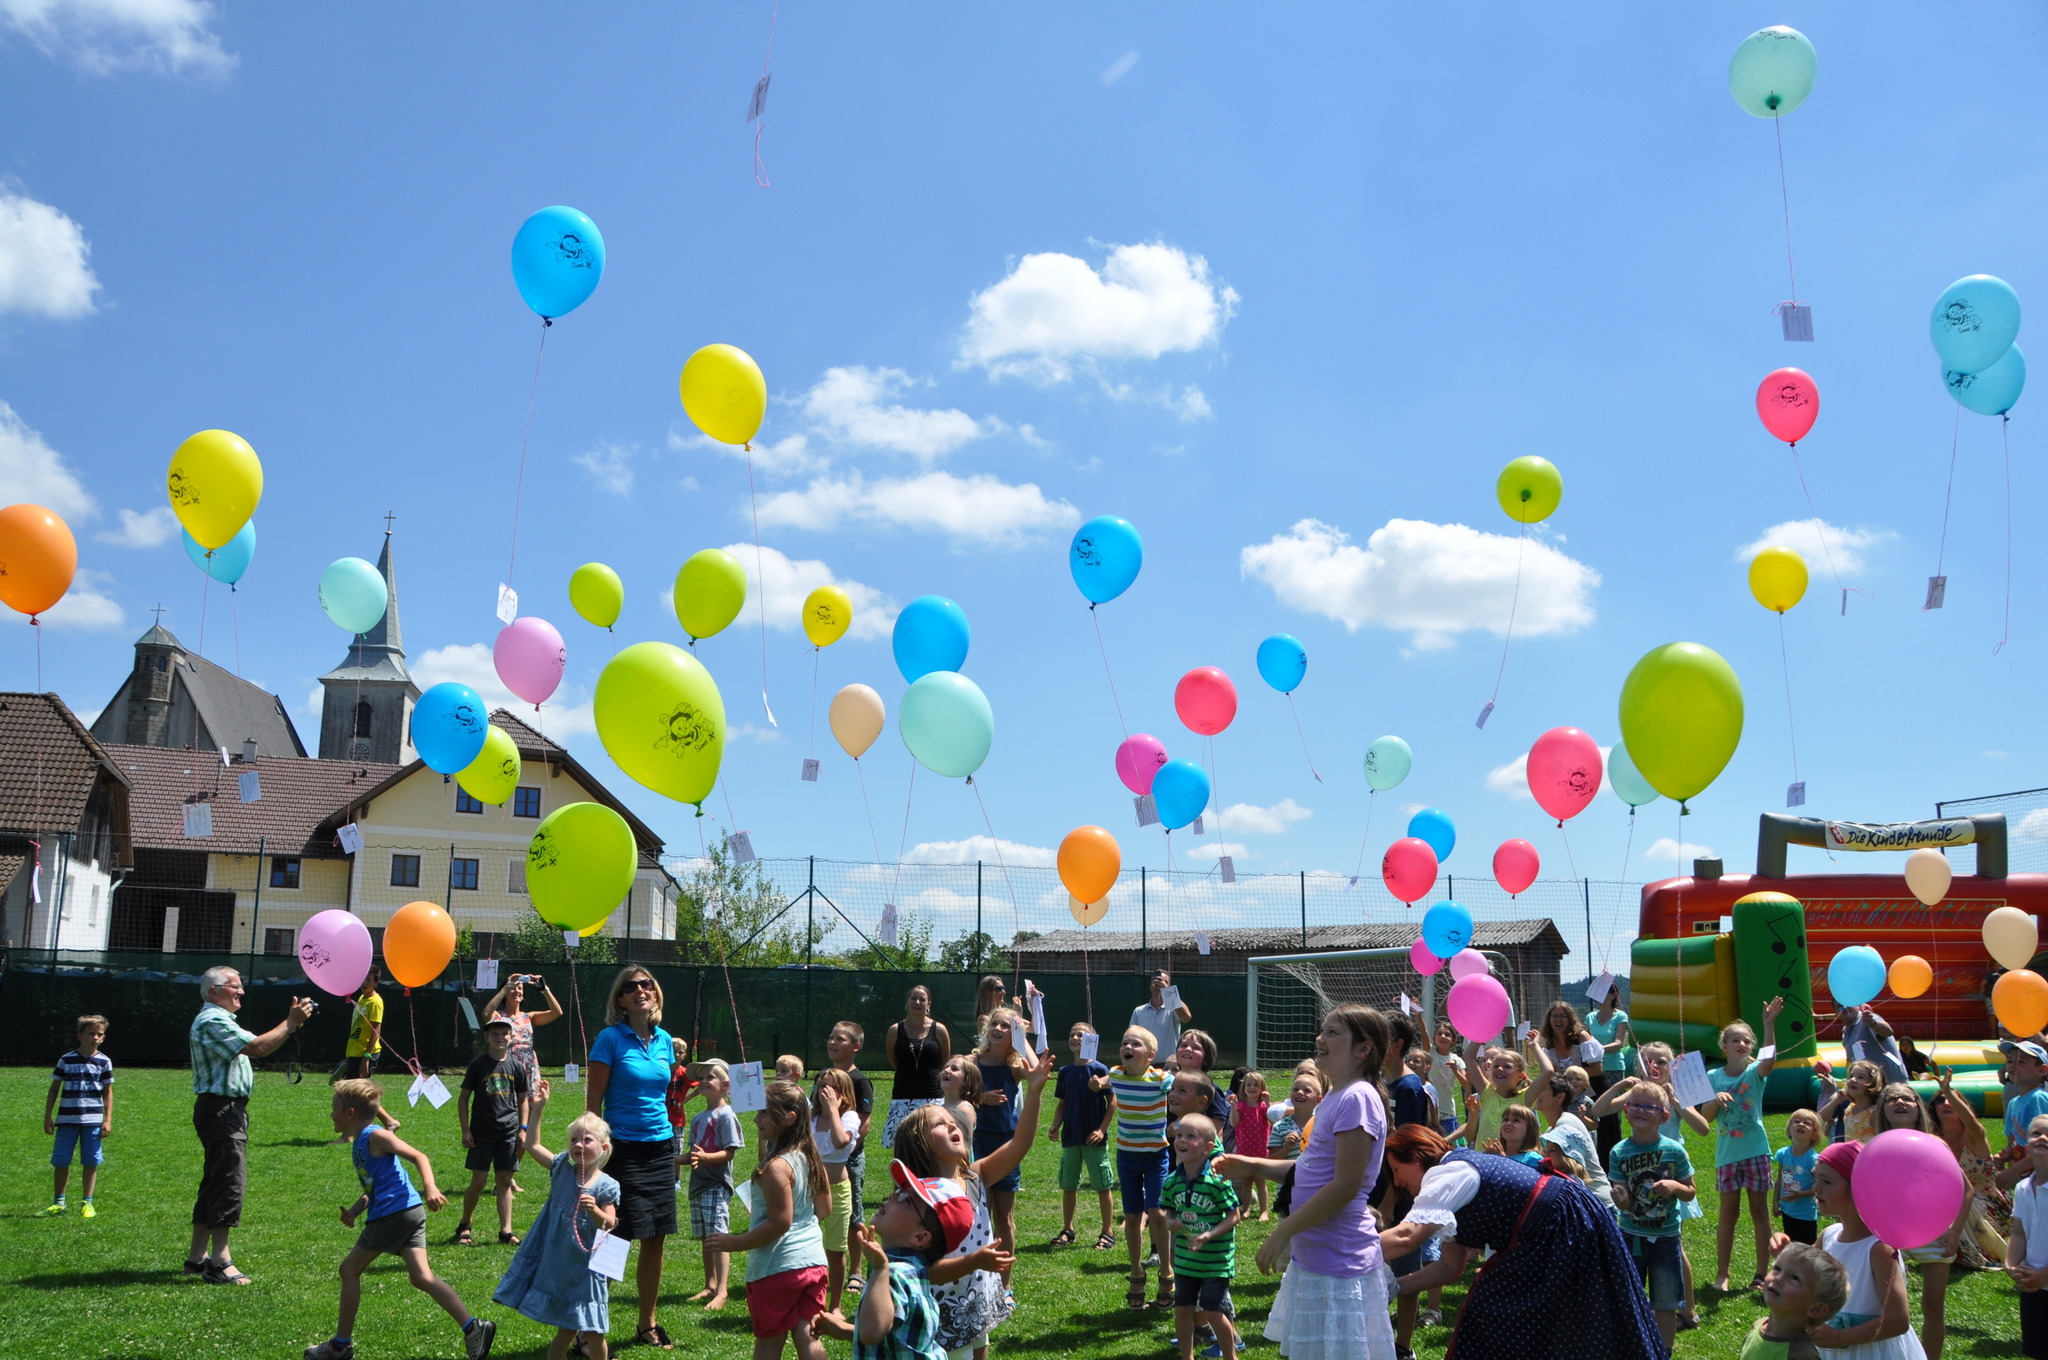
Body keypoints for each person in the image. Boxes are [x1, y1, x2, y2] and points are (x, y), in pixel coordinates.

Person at [1375, 1122, 1665, 1360]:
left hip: (1564, 1225)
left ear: (1417, 1156)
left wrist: (1344, 1250)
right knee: (1503, 1314)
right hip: (1546, 1233)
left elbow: (1407, 1236)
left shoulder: (1448, 1172)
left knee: (1521, 1314)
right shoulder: (1450, 1185)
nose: (1397, 1183)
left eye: (1397, 1171)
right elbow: (1450, 1266)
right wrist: (1396, 1286)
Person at [1215, 1006, 1399, 1360]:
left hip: (1339, 1262)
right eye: (1322, 1030)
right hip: (1316, 1255)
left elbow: (1346, 1185)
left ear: (1363, 1050)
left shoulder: (1357, 1098)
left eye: (1333, 1032)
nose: (1320, 1038)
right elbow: (1311, 1168)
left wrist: (1283, 1231)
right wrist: (1251, 1163)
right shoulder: (1335, 1096)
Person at [303, 1079, 496, 1360]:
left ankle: (340, 1347)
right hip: (408, 1211)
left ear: (350, 1113)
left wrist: (430, 1187)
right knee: (421, 1277)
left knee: (349, 1271)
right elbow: (375, 1186)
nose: (330, 1115)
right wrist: (355, 1211)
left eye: (334, 1109)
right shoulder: (361, 1141)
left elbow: (419, 1156)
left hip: (392, 1214)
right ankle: (473, 1327)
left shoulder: (375, 1136)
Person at [890, 1046, 1050, 1360]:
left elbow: (1021, 1143)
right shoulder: (919, 1199)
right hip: (943, 1311)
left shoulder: (976, 1176)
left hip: (978, 1299)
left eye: (952, 1122)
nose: (952, 1125)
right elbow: (928, 1272)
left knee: (981, 1349)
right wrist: (975, 1261)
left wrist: (1034, 1092)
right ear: (919, 1144)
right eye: (939, 1124)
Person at [187, 965, 314, 1284]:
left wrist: (290, 1023)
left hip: (222, 1109)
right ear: (214, 991)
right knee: (228, 1181)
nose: (241, 991)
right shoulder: (212, 1020)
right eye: (234, 986)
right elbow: (257, 1047)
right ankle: (220, 1262)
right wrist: (291, 1022)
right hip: (222, 1110)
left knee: (214, 1181)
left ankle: (196, 1258)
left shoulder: (218, 1019)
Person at [585, 965, 680, 1350]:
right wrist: (592, 1154)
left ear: (655, 995)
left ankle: (647, 1323)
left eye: (647, 985)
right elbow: (593, 1104)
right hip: (620, 1148)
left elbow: (662, 1095)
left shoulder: (664, 1042)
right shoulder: (609, 1039)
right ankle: (587, 1329)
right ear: (620, 1000)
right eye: (631, 987)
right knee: (614, 1239)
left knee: (655, 1238)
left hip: (660, 1149)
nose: (641, 990)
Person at [1587, 1040, 1712, 1330]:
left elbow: (1704, 1129)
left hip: (1671, 1176)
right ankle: (1661, 1310)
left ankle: (1687, 1310)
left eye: (1661, 1062)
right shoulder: (1637, 1096)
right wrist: (1620, 1087)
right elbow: (1599, 1109)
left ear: (1673, 1068)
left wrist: (1677, 1102)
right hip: (1636, 1181)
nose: (1654, 1067)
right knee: (1654, 1247)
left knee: (1673, 1246)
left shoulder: (1673, 1094)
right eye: (1648, 1061)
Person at [492, 1080, 620, 1360]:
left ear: (604, 1147)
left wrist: (595, 1212)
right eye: (574, 1139)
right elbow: (533, 1144)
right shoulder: (562, 1168)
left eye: (586, 1140)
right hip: (560, 1261)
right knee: (565, 1326)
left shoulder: (606, 1185)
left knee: (594, 1330)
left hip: (588, 1270)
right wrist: (538, 1108)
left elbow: (610, 1223)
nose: (578, 1145)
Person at [706, 1080, 831, 1360]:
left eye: (763, 1113)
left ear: (788, 1118)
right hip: (813, 1262)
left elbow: (780, 1223)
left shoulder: (776, 1167)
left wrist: (734, 1242)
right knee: (809, 1337)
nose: (756, 1119)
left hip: (777, 1269)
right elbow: (824, 1209)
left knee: (769, 1344)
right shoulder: (811, 1158)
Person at [1775, 1139, 1927, 1359]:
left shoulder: (1878, 1248)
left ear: (1858, 1188)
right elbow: (1805, 1275)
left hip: (1874, 1351)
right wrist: (1784, 1251)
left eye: (1826, 1181)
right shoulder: (1829, 1235)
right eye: (1816, 1178)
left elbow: (1898, 1320)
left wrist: (1840, 1338)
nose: (1816, 1188)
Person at [811, 1161, 970, 1360]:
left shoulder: (893, 1274)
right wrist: (846, 1331)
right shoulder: (915, 1271)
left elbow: (871, 1333)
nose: (894, 1195)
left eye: (906, 1200)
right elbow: (896, 1335)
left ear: (920, 1237)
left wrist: (879, 1269)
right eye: (900, 1191)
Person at [1606, 1081, 1698, 1349]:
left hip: (1666, 1238)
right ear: (1625, 1110)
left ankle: (1664, 1352)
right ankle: (1631, 1349)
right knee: (1629, 1298)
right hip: (1631, 1235)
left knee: (1665, 1303)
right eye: (1635, 1105)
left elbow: (1690, 1191)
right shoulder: (1619, 1152)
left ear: (1664, 1116)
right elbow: (1623, 1199)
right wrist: (1621, 1200)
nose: (1641, 1111)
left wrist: (1675, 1186)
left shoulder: (1674, 1150)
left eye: (1650, 1107)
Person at [1876, 1083, 1965, 1360]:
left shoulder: (1935, 1144)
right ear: (1883, 1109)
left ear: (1918, 1107)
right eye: (1892, 1099)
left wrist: (1954, 1234)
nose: (1900, 1102)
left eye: (1908, 1098)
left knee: (1932, 1304)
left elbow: (1966, 1190)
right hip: (1890, 1232)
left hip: (1935, 1232)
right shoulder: (1876, 1146)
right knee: (1888, 1306)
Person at [1704, 999, 1784, 1294]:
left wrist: (1768, 1025)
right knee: (1728, 1214)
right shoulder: (1713, 1077)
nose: (1741, 1043)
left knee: (1760, 1213)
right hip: (1727, 1156)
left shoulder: (1754, 1074)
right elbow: (1705, 1119)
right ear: (1723, 1045)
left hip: (1755, 1153)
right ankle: (1722, 1273)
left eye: (1746, 1040)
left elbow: (1769, 1061)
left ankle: (1762, 1274)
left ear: (1752, 1046)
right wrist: (1717, 1098)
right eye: (1734, 1039)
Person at [1096, 1024, 1175, 1309]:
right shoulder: (1116, 1073)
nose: (1127, 1047)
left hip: (1156, 1154)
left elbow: (1179, 1088)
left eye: (1135, 1044)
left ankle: (1167, 1271)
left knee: (1156, 1212)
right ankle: (1136, 1271)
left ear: (1150, 1055)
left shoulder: (1161, 1079)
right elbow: (1105, 1081)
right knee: (1131, 1217)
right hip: (1127, 1155)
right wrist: (1097, 1084)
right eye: (1124, 1043)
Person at [1162, 1112, 1241, 1360]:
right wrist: (1171, 1221)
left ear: (1208, 1147)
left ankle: (1231, 1355)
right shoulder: (1172, 1181)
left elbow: (1234, 1215)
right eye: (1180, 1135)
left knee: (1213, 1310)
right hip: (1186, 1260)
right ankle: (1188, 1356)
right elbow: (1168, 1210)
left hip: (1215, 1262)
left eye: (1191, 1136)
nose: (1182, 1141)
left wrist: (1209, 1235)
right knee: (1183, 1309)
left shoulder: (1217, 1182)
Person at [454, 1015, 530, 1246]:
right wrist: (466, 1130)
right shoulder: (478, 1065)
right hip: (482, 1132)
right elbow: (463, 1099)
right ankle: (464, 1224)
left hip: (508, 1131)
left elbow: (523, 1099)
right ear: (486, 1037)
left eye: (504, 1033)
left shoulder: (516, 1066)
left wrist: (523, 1128)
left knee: (505, 1179)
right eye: (495, 1033)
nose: (500, 1037)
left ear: (511, 1036)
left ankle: (505, 1231)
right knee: (479, 1180)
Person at [1928, 1065, 2012, 1271]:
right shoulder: (1933, 1140)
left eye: (1951, 1100)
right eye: (1940, 1100)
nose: (1946, 1103)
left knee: (1963, 1205)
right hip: (1954, 1203)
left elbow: (1971, 1122)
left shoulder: (1974, 1135)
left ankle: (1968, 1252)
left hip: (1990, 1205)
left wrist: (1947, 1090)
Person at [971, 1007, 1030, 1282]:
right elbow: (955, 1094)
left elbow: (1036, 1074)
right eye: (995, 1024)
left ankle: (1005, 1285)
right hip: (976, 1142)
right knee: (978, 1214)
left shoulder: (1014, 1066)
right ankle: (981, 1278)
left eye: (1007, 1026)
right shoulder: (973, 1061)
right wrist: (981, 1098)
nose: (998, 1029)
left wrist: (1023, 1037)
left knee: (1004, 1218)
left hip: (1005, 1145)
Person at [1048, 1020, 1116, 1250]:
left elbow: (1112, 1103)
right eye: (1072, 1035)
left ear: (1092, 1041)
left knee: (1102, 1185)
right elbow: (1062, 1105)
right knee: (1069, 1185)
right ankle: (1068, 1228)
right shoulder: (1065, 1072)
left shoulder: (1099, 1070)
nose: (1075, 1038)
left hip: (1094, 1140)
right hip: (1071, 1139)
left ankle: (1107, 1232)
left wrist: (1101, 1129)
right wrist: (1056, 1125)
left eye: (1081, 1035)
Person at [685, 1058, 744, 1310]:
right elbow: (691, 1154)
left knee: (718, 1235)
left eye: (711, 1077)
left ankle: (722, 1290)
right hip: (698, 1185)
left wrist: (705, 1157)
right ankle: (709, 1284)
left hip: (716, 1185)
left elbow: (729, 1152)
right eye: (703, 1077)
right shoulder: (698, 1117)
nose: (705, 1081)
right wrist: (669, 1160)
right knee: (706, 1238)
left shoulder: (726, 1116)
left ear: (726, 1085)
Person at [43, 1013, 113, 1218]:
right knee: (61, 1160)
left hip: (93, 1121)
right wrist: (48, 1116)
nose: (95, 1037)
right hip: (66, 1120)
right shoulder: (67, 1060)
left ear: (103, 1038)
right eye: (91, 1033)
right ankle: (59, 1202)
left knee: (91, 1161)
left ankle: (87, 1202)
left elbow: (108, 1092)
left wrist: (107, 1119)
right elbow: (54, 1088)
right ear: (80, 1035)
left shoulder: (104, 1062)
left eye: (99, 1034)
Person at [825, 1020, 876, 1291]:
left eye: (841, 1039)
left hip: (848, 1158)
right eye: (831, 1037)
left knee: (853, 1216)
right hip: (822, 1159)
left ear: (856, 1046)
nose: (833, 1042)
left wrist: (843, 1148)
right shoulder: (825, 1076)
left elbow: (864, 1124)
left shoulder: (859, 1081)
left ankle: (856, 1271)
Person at [1744, 1242, 1851, 1360]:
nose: (1777, 1278)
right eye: (1777, 1268)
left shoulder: (1802, 1355)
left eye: (1794, 1278)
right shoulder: (1757, 1326)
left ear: (1816, 1309)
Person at [814, 1068, 862, 1313]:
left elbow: (840, 1141)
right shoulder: (811, 1117)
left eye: (832, 1087)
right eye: (822, 1085)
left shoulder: (850, 1116)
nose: (826, 1091)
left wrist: (832, 1109)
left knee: (835, 1249)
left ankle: (835, 1306)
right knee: (809, 1246)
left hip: (838, 1190)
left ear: (843, 1092)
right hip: (810, 1190)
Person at [883, 986, 952, 1148]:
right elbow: (894, 1061)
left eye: (922, 999)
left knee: (933, 1145)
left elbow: (944, 1062)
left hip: (932, 1096)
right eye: (914, 998)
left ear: (929, 1004)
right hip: (902, 1096)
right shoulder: (895, 1030)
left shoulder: (940, 1030)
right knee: (904, 1147)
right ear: (907, 1001)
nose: (917, 1002)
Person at [1531, 1071, 1611, 1209]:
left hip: (1595, 1202)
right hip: (1582, 1201)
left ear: (1559, 1097)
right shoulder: (1551, 1131)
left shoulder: (1566, 1123)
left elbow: (1565, 1169)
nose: (1536, 1092)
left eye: (1543, 1089)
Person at [2007, 1112, 2048, 1359]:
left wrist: (2043, 1275)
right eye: (2036, 1133)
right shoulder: (2023, 1188)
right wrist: (2011, 1265)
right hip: (2032, 1286)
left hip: (2040, 1278)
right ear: (2026, 1144)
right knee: (2037, 1349)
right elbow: (2019, 1232)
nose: (2043, 1137)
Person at [482, 972, 563, 1095]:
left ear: (523, 995)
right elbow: (487, 1013)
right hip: (507, 1063)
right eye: (513, 988)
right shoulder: (499, 1017)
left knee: (531, 1102)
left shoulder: (529, 1017)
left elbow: (557, 1012)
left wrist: (544, 988)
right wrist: (505, 987)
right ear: (505, 993)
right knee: (507, 1100)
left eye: (520, 988)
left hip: (529, 1064)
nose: (516, 991)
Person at [1226, 1070, 1272, 1220]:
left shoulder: (1263, 1106)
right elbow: (1234, 1123)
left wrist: (1269, 1103)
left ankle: (1263, 1211)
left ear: (1261, 1088)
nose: (1251, 1088)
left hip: (1260, 1150)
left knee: (1260, 1181)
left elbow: (1272, 1120)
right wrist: (1233, 1106)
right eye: (1248, 1085)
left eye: (1255, 1085)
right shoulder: (1240, 1106)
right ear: (1243, 1087)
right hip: (1244, 1150)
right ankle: (1245, 1209)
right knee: (1246, 1181)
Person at [1774, 1109, 1822, 1246]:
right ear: (1789, 1129)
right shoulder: (1783, 1154)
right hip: (1787, 1210)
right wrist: (1776, 1201)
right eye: (1796, 1121)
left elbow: (1819, 1187)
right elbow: (1780, 1179)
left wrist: (1800, 1194)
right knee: (1791, 1247)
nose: (1801, 1124)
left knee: (1806, 1250)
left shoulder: (1813, 1159)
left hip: (1805, 1214)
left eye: (1807, 1123)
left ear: (1814, 1134)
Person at [1837, 1005, 1911, 1087]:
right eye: (1839, 1006)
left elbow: (1888, 1032)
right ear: (1836, 1012)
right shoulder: (1845, 1033)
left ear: (1858, 1006)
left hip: (1891, 1083)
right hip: (1870, 1085)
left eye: (1848, 1004)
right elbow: (1851, 1060)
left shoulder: (1867, 1019)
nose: (1844, 1007)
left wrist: (1873, 1023)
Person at [1818, 1059, 1886, 1146]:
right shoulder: (1849, 1109)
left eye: (1861, 1077)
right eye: (1851, 1076)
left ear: (1872, 1084)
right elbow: (1818, 1119)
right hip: (1850, 1158)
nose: (1853, 1080)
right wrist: (1837, 1100)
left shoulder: (1873, 1114)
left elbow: (1884, 1142)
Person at [1131, 971, 1192, 1062]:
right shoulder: (1139, 1011)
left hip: (1168, 1066)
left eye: (1165, 981)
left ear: (1169, 986)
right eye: (1155, 981)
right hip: (1144, 1065)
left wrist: (1167, 991)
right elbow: (1131, 1037)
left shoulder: (1173, 1010)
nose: (1159, 983)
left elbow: (1186, 1017)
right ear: (1150, 986)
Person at [940, 1056, 981, 1140]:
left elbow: (965, 1145)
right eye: (945, 1067)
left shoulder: (964, 1110)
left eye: (954, 1069)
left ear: (966, 1081)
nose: (946, 1070)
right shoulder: (939, 1108)